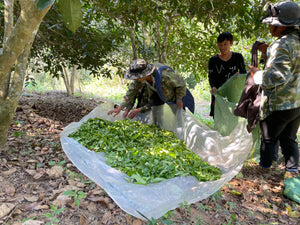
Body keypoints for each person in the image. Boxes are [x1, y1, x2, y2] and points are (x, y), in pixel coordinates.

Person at [249, 1, 300, 176]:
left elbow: (277, 76)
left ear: (282, 26)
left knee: (269, 138)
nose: (270, 27)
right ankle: (292, 171)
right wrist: (267, 52)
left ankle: (264, 170)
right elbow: (291, 66)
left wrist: (256, 74)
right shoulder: (295, 41)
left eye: (273, 24)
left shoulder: (282, 44)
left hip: (280, 103)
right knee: (289, 138)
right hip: (297, 103)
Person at [108, 59, 187, 119]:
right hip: (158, 99)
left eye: (137, 77)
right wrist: (120, 107)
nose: (135, 79)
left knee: (178, 117)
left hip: (174, 97)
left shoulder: (164, 76)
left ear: (145, 74)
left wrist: (179, 98)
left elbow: (181, 84)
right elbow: (131, 92)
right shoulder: (140, 81)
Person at [208, 32, 247, 118]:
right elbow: (211, 77)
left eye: (225, 44)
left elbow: (244, 74)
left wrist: (239, 75)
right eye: (220, 45)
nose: (222, 47)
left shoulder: (238, 57)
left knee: (233, 117)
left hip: (233, 93)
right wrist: (213, 87)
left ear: (231, 43)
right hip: (219, 94)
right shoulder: (213, 60)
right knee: (219, 117)